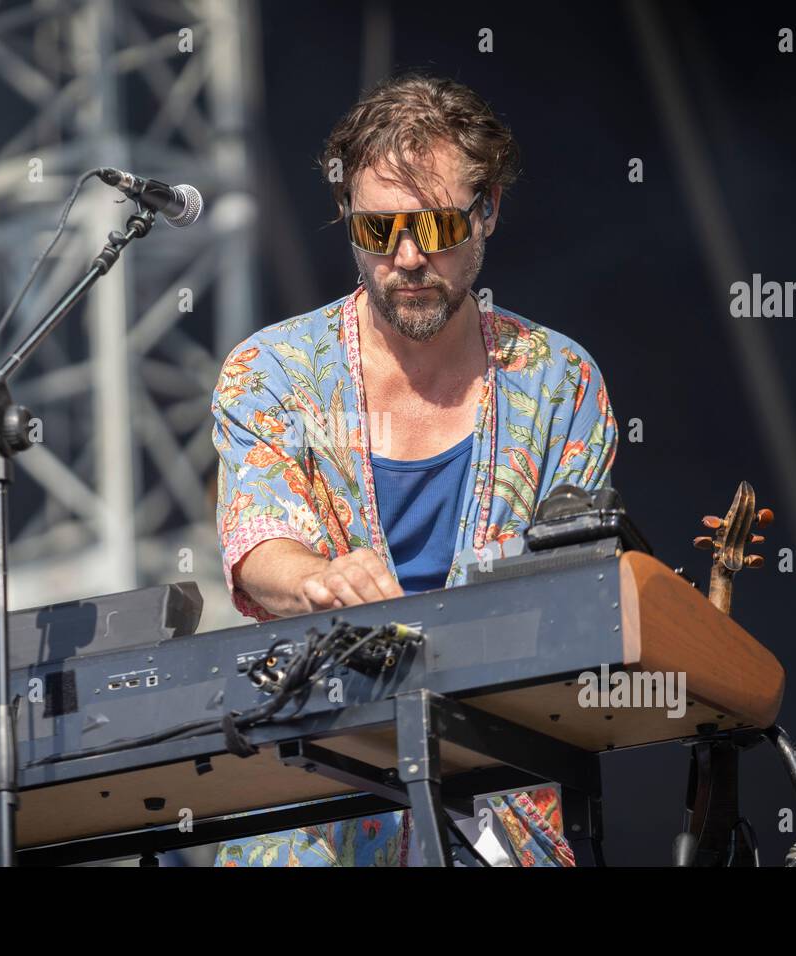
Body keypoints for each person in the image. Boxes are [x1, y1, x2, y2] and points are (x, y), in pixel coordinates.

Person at [209, 72, 617, 866]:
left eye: (433, 228)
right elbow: (258, 548)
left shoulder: (559, 381)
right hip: (315, 802)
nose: (405, 257)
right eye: (375, 231)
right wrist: (325, 580)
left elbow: (576, 601)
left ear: (488, 209)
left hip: (503, 806)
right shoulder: (272, 373)